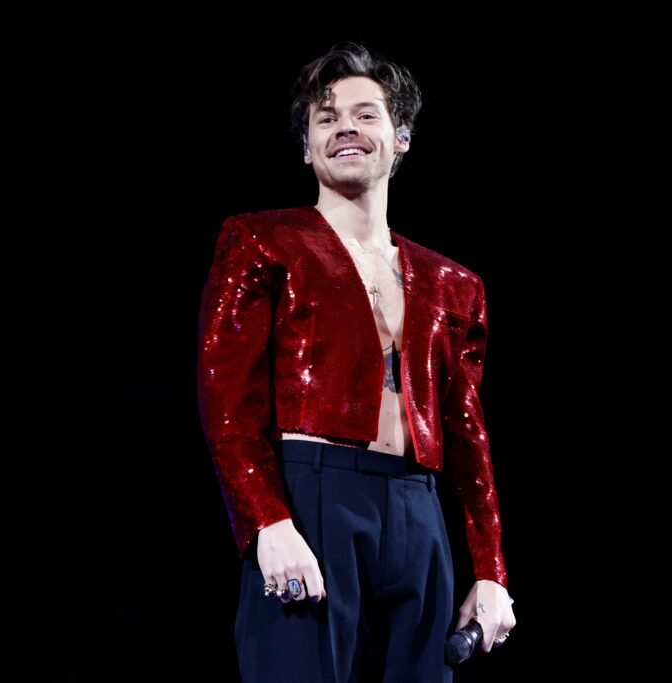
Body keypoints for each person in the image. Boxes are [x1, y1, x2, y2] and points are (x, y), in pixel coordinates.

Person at [197, 42, 515, 682]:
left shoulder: (452, 283)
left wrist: (489, 570)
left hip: (417, 506)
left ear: (401, 139)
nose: (345, 127)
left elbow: (466, 431)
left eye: (366, 115)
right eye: (326, 118)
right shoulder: (263, 241)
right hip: (313, 493)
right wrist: (267, 521)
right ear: (307, 147)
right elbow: (226, 397)